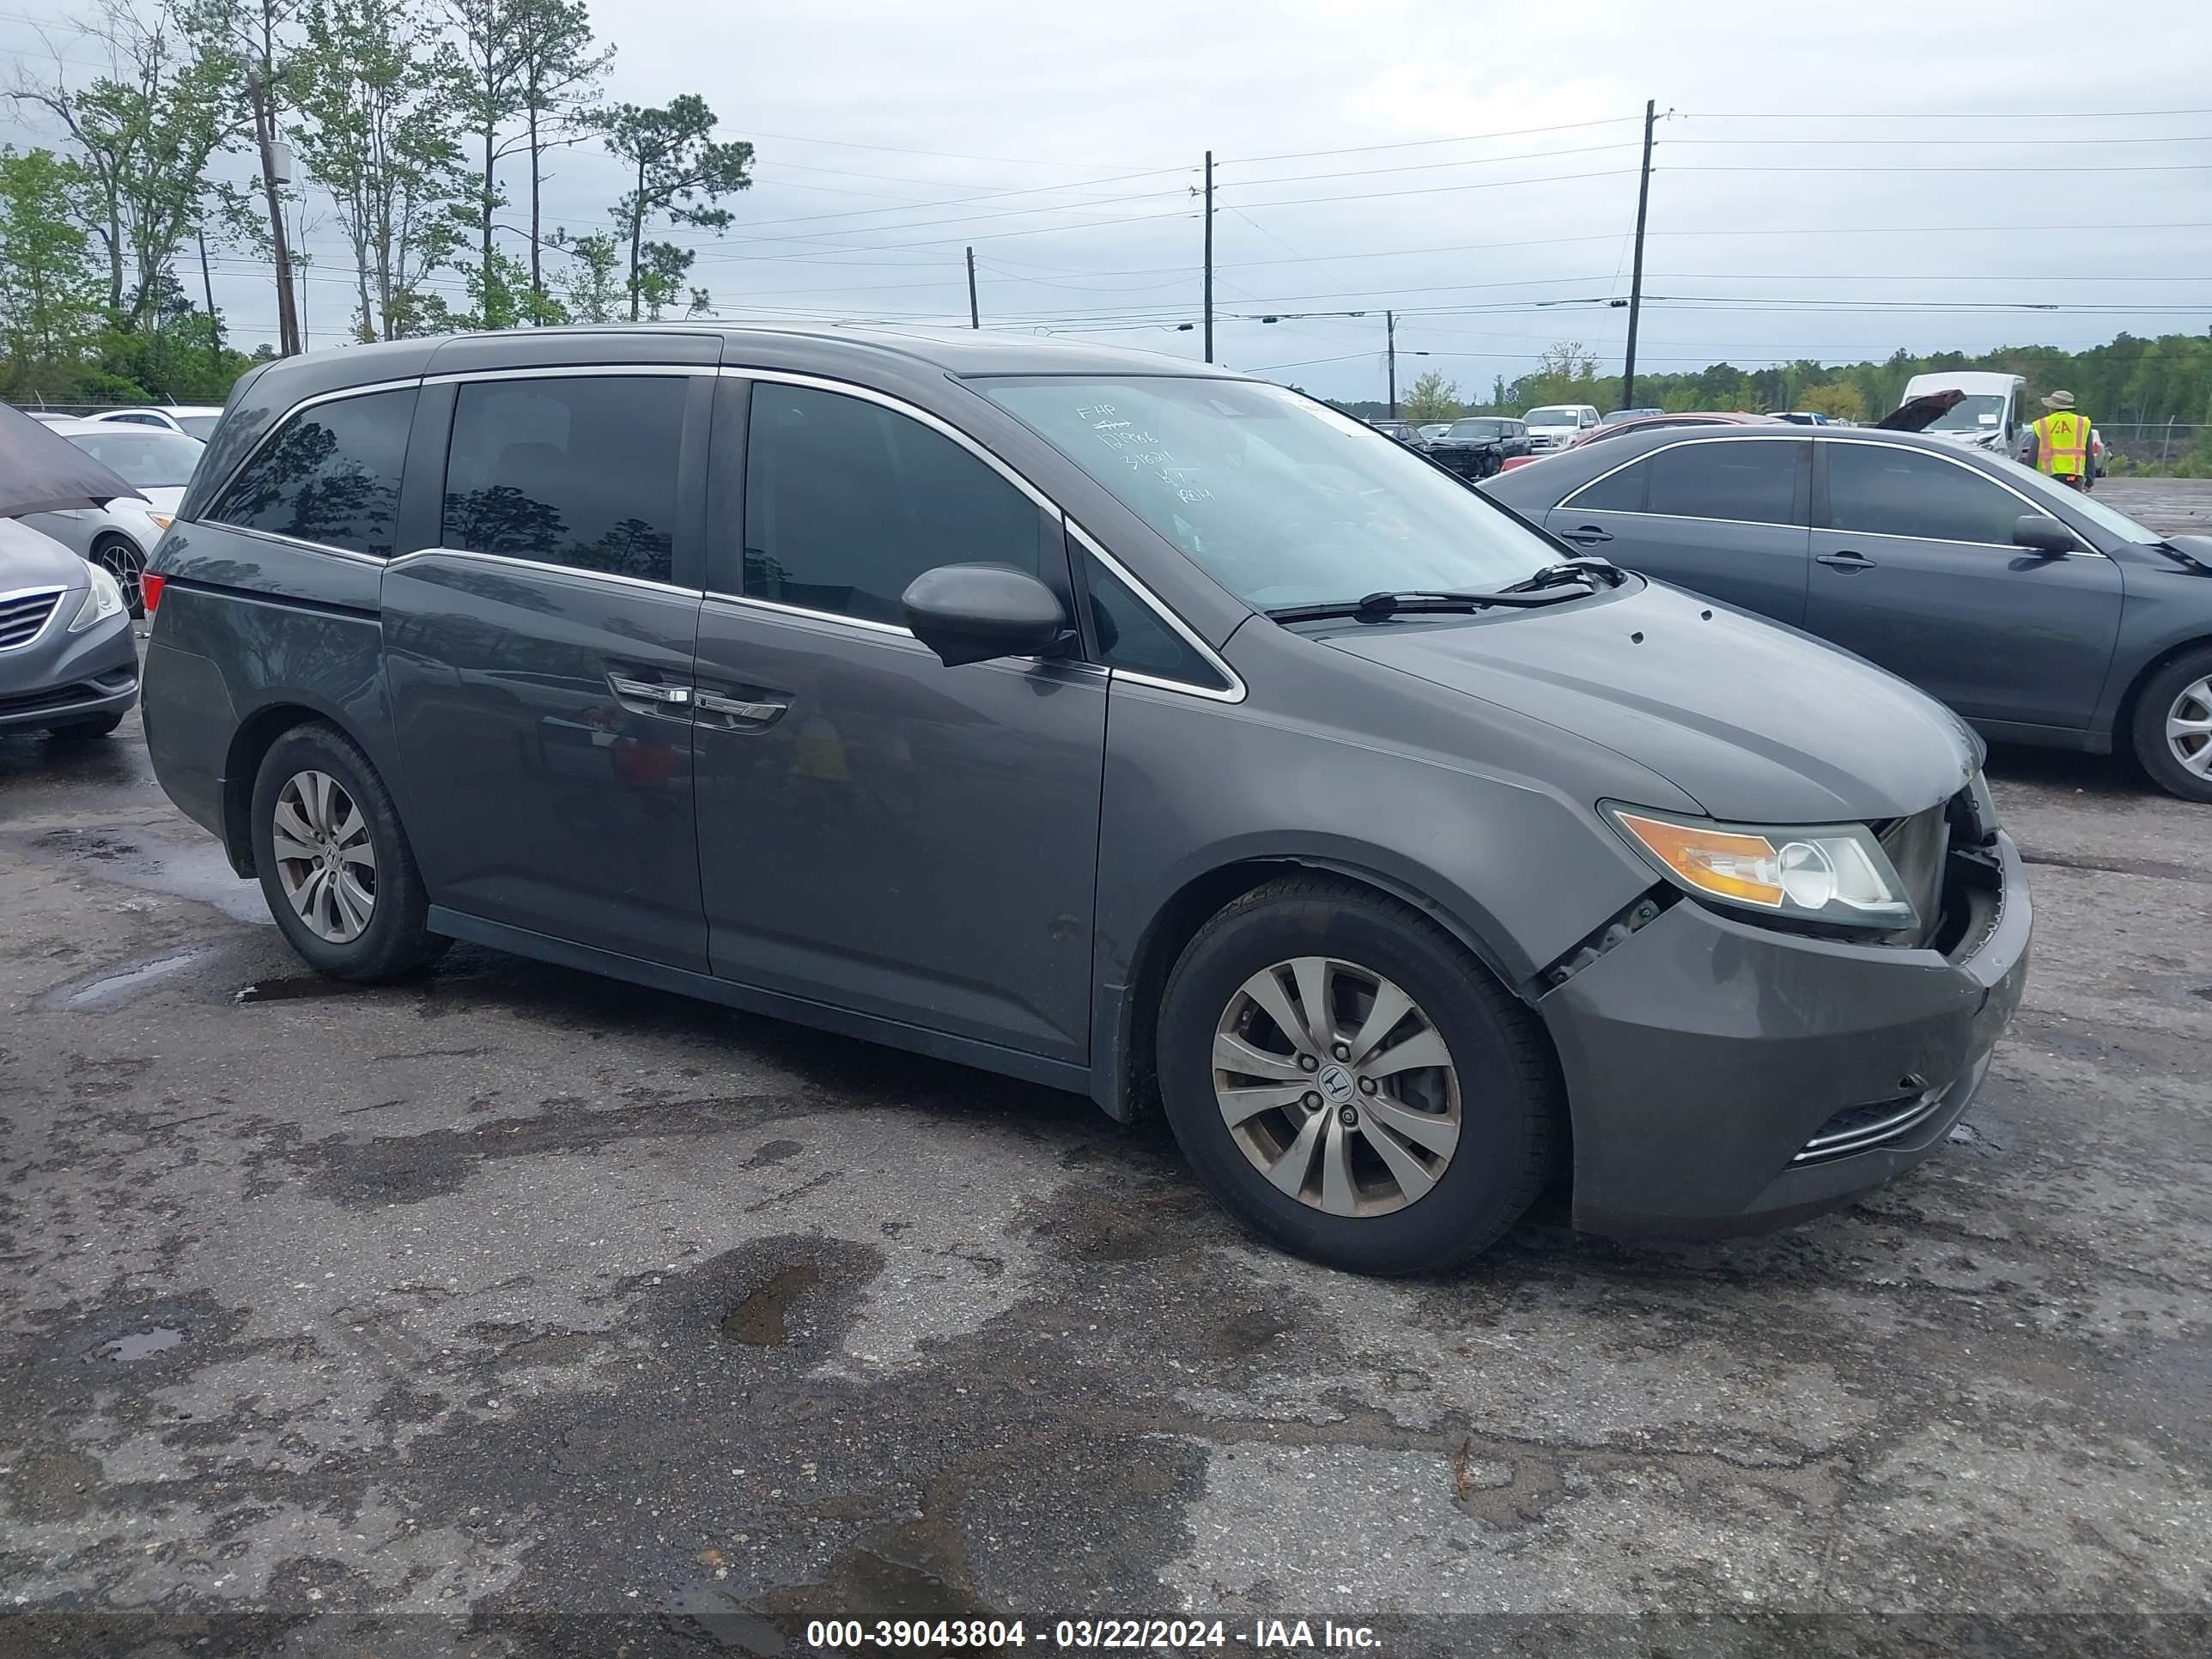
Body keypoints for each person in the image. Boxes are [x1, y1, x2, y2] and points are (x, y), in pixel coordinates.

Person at [2020, 391, 2093, 489]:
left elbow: (2033, 455)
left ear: (2052, 407)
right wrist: (2090, 480)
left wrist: (2029, 477)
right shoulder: (2082, 423)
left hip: (2048, 477)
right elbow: (2089, 453)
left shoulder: (2043, 424)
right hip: (2073, 476)